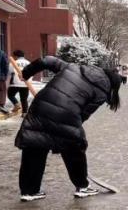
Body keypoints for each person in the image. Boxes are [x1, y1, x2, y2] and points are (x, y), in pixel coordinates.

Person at [14, 55, 122, 201]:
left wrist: (27, 72)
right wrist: (67, 132)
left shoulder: (73, 67)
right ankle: (82, 186)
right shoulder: (102, 91)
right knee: (74, 148)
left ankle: (29, 191)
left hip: (40, 107)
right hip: (67, 115)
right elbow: (83, 114)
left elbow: (47, 60)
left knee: (35, 144)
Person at [7, 49, 31, 114]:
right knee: (24, 99)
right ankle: (24, 113)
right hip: (26, 83)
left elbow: (9, 72)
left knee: (10, 95)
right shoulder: (28, 63)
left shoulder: (14, 62)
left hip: (15, 82)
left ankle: (16, 104)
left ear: (16, 56)